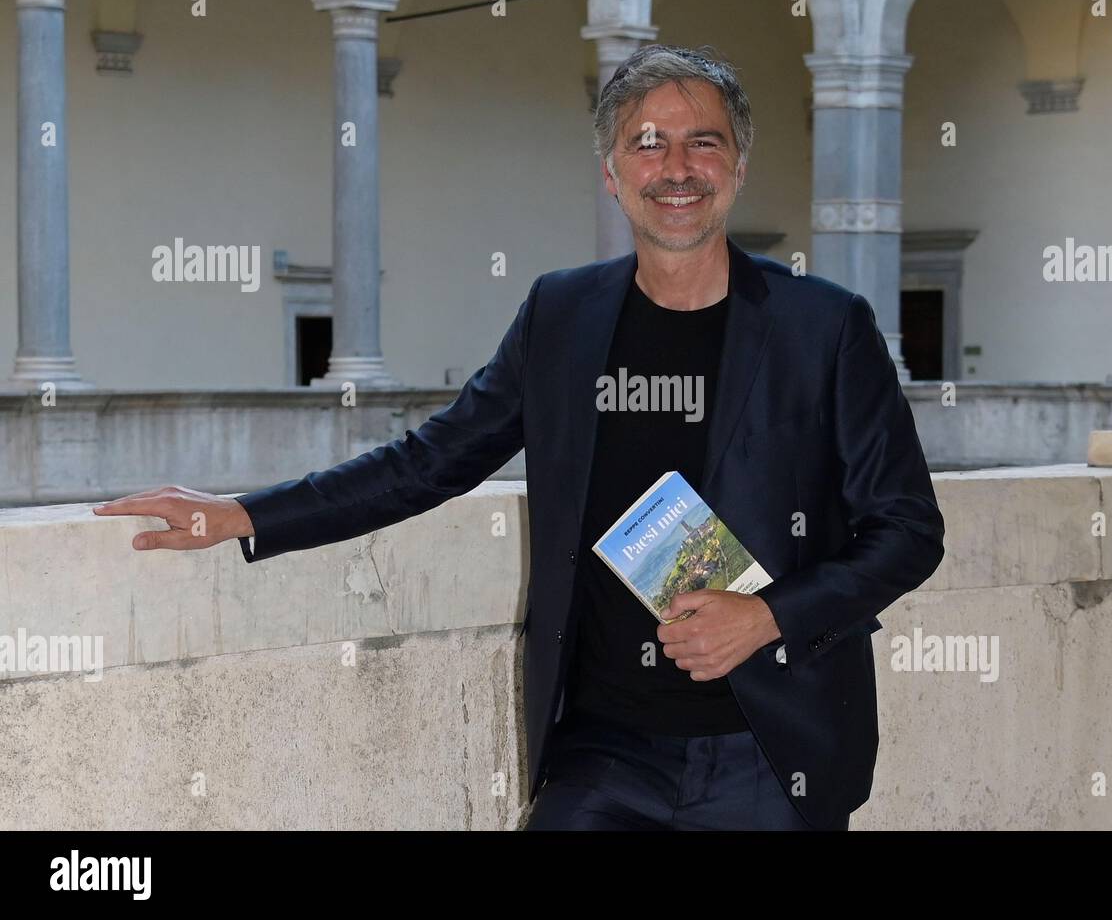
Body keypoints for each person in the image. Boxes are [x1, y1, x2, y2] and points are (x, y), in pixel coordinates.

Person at [95, 44, 946, 831]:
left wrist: (766, 616)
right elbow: (431, 460)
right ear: (611, 173)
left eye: (704, 143)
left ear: (738, 166)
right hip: (604, 750)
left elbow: (908, 531)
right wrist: (246, 516)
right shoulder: (561, 314)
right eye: (647, 144)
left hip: (771, 755)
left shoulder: (825, 326)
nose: (677, 168)